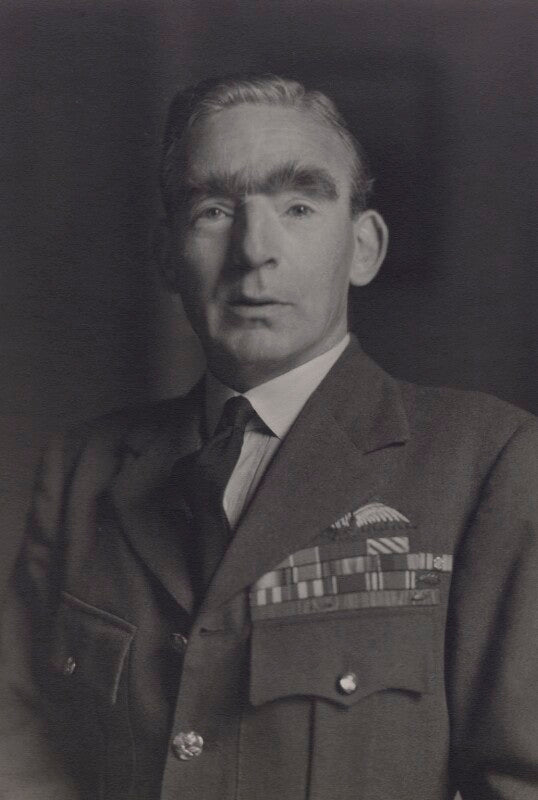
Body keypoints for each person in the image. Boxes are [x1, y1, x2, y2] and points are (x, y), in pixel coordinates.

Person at [0, 74, 537, 800]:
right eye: (215, 211)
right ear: (167, 255)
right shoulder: (81, 471)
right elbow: (18, 743)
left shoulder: (489, 462)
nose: (254, 250)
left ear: (364, 247)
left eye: (298, 207)